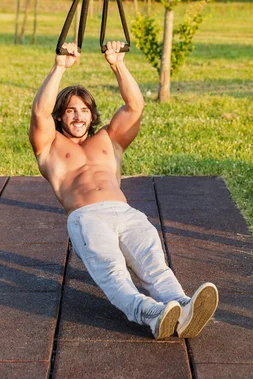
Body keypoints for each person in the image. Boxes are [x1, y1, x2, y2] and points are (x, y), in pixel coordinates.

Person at [29, 40, 218, 340]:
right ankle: (150, 314)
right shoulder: (50, 147)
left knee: (155, 265)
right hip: (86, 217)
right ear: (60, 117)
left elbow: (135, 106)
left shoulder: (109, 140)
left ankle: (183, 306)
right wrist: (60, 67)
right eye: (70, 111)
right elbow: (39, 112)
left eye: (84, 111)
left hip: (126, 213)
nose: (78, 116)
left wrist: (117, 64)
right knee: (113, 273)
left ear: (92, 115)